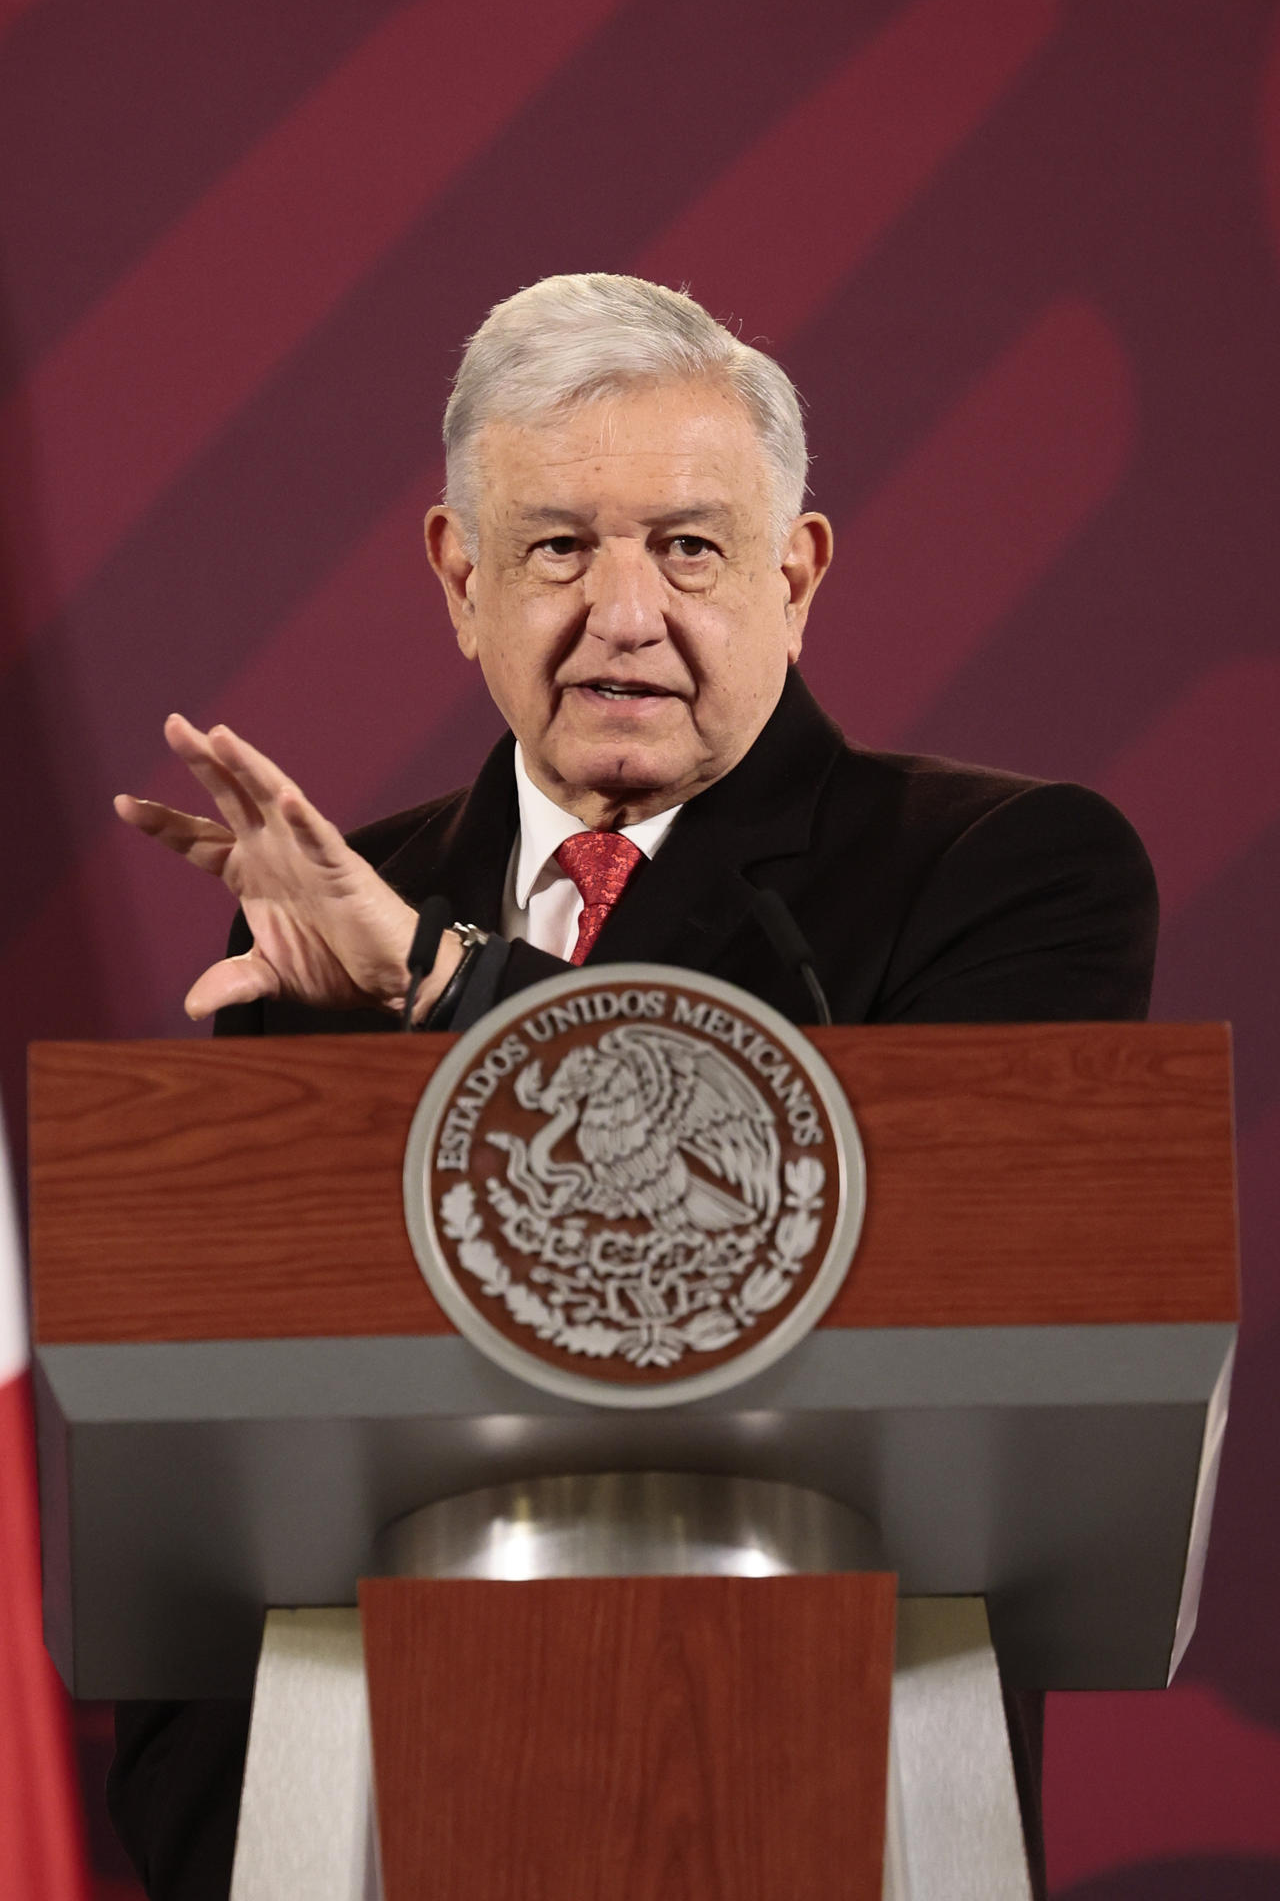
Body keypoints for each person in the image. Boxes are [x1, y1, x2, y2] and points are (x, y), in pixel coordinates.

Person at [107, 274, 1158, 1898]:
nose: (624, 611)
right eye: (555, 548)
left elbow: (820, 1250)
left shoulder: (1005, 871)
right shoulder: (335, 903)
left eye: (687, 546)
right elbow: (246, 1476)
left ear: (794, 577)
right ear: (460, 582)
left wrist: (442, 987)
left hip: (813, 1799)